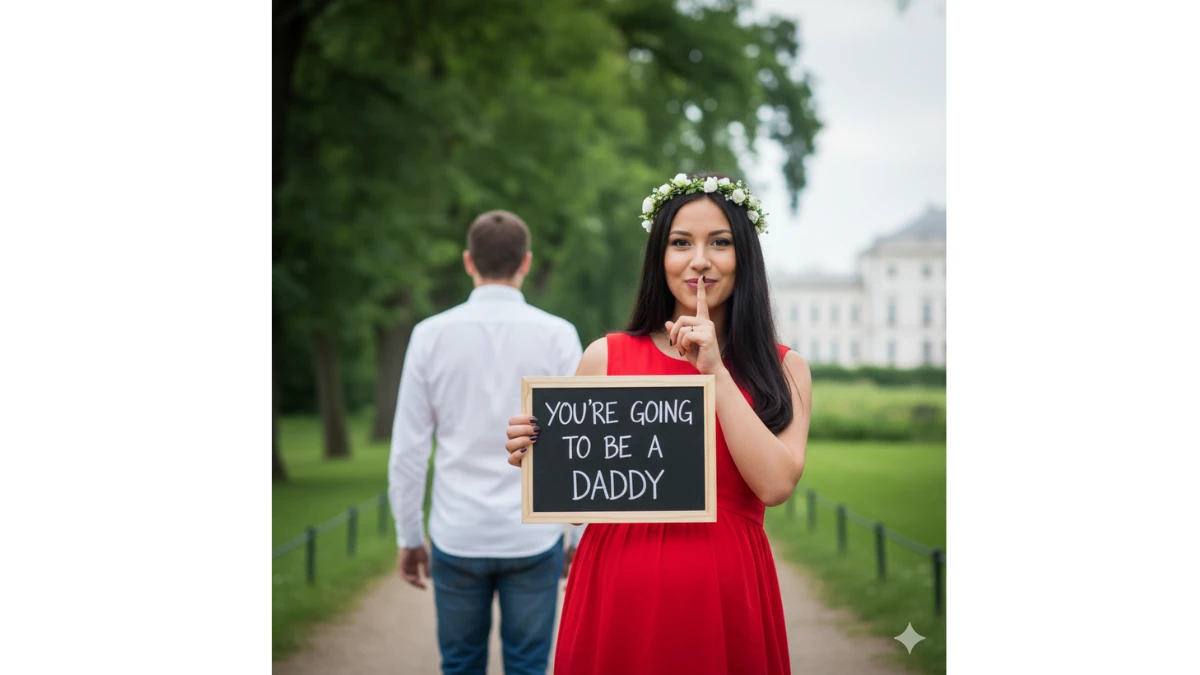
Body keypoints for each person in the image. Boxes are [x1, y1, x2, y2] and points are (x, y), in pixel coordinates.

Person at [503, 173, 812, 674]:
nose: (699, 260)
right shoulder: (605, 356)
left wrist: (713, 372)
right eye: (680, 243)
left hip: (725, 593)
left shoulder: (785, 367)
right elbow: (578, 508)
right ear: (659, 258)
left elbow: (775, 484)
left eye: (720, 243)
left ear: (745, 256)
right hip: (617, 594)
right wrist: (536, 458)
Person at [388, 209, 586, 675]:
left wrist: (409, 536)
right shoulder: (559, 335)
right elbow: (581, 442)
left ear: (467, 261)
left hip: (457, 532)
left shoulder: (429, 335)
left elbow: (410, 449)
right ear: (527, 262)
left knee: (459, 665)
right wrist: (577, 534)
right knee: (529, 666)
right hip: (533, 535)